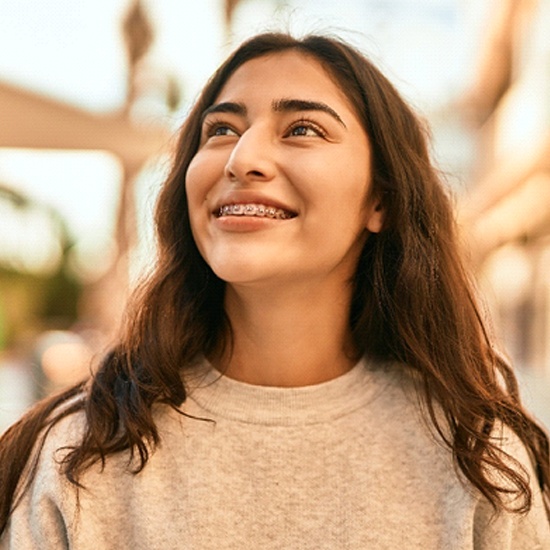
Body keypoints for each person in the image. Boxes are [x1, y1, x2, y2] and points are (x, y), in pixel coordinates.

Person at [0, 32, 549, 549]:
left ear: (380, 200)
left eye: (303, 129)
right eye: (221, 131)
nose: (241, 160)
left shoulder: (480, 462)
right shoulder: (80, 453)